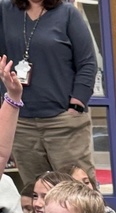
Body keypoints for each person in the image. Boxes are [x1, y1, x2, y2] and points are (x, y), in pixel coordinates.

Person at [0, 0, 97, 185]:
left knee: (78, 191)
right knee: (35, 191)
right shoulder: (4, 11)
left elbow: (87, 63)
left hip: (64, 121)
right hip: (21, 123)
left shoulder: (68, 13)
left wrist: (76, 104)